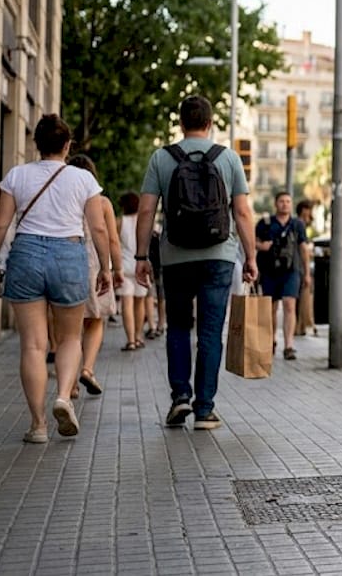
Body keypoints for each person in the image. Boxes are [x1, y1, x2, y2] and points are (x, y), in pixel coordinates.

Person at [135, 95, 257, 431]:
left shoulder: (162, 158)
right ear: (210, 123)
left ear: (181, 122)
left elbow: (146, 211)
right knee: (209, 333)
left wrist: (142, 256)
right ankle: (205, 409)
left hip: (175, 258)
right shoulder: (228, 158)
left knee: (177, 327)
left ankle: (180, 398)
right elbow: (243, 212)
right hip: (218, 257)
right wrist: (251, 256)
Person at [0, 115, 111, 443]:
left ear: (37, 144)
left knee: (33, 344)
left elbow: (1, 224)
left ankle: (38, 426)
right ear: (67, 145)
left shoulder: (16, 175)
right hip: (69, 255)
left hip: (26, 255)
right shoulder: (82, 180)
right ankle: (63, 395)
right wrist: (105, 267)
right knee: (71, 338)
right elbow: (98, 227)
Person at [66, 155, 122, 396]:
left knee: (71, 326)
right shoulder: (103, 203)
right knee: (96, 320)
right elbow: (112, 239)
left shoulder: (64, 199)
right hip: (97, 266)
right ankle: (87, 370)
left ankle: (71, 383)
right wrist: (116, 269)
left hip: (70, 261)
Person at [255, 191, 310, 360]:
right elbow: (251, 241)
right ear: (275, 204)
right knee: (271, 308)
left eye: (288, 201)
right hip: (269, 271)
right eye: (281, 201)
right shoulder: (265, 223)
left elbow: (303, 248)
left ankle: (289, 345)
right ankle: (271, 340)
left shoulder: (297, 224)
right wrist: (260, 246)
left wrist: (307, 273)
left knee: (289, 305)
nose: (285, 204)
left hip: (291, 271)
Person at [117, 192, 148, 350]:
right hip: (141, 266)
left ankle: (130, 340)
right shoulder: (144, 222)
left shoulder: (120, 222)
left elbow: (115, 245)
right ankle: (138, 336)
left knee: (126, 304)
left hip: (125, 266)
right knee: (139, 303)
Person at [294, 199, 317, 337]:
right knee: (301, 297)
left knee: (299, 298)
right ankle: (300, 326)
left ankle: (301, 326)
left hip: (298, 265)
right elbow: (303, 249)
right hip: (300, 266)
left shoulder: (298, 223)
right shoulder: (299, 224)